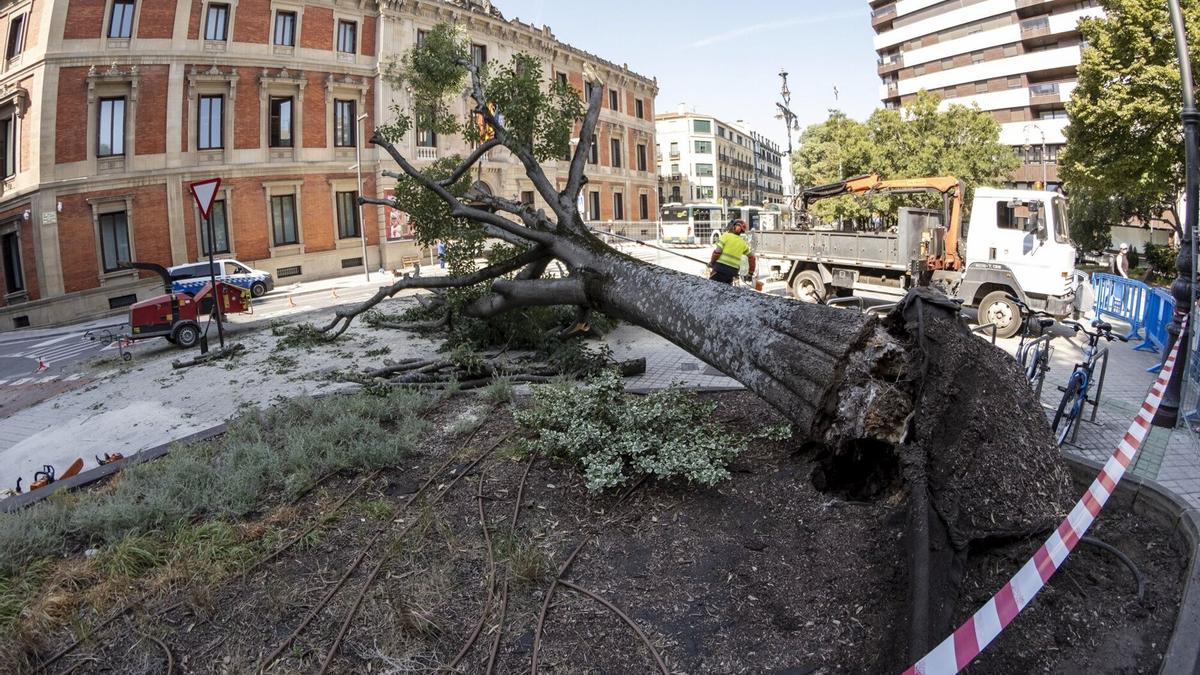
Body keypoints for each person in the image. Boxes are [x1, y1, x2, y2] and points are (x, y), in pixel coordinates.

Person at [709, 219, 756, 285]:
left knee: (711, 287)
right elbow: (752, 258)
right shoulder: (743, 243)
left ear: (734, 227)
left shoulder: (725, 236)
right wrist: (750, 273)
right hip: (733, 272)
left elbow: (717, 252)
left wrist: (711, 263)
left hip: (720, 268)